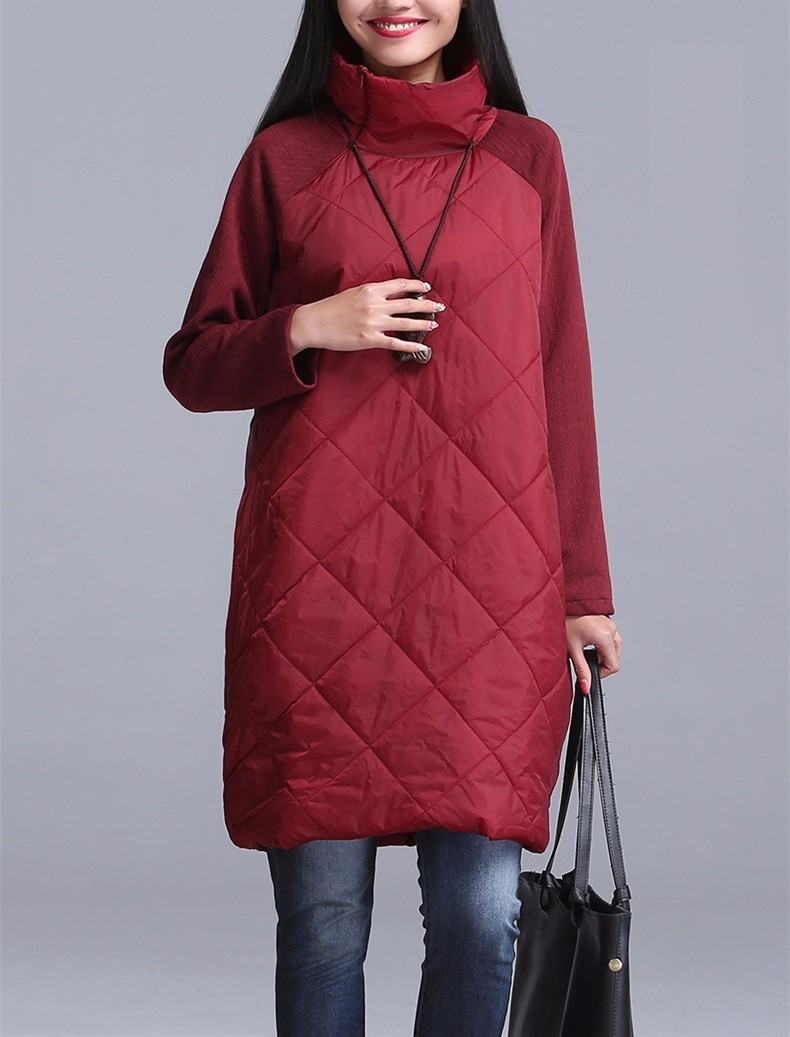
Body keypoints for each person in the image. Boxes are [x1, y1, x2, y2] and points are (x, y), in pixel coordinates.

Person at [162, 1, 624, 1034]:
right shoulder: (285, 159)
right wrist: (307, 324)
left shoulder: (528, 156)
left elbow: (562, 376)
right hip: (319, 590)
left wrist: (583, 589)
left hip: (491, 593)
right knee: (323, 924)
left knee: (480, 916)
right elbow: (191, 364)